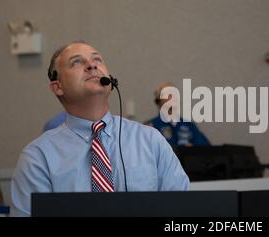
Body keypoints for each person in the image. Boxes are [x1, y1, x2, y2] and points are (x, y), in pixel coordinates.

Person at [11, 41, 189, 217]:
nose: (91, 65)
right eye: (76, 62)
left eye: (97, 59)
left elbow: (183, 212)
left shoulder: (151, 140)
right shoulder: (37, 157)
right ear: (58, 87)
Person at [145, 82, 211, 147]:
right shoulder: (151, 127)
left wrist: (192, 149)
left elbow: (207, 150)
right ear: (158, 102)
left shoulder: (189, 125)